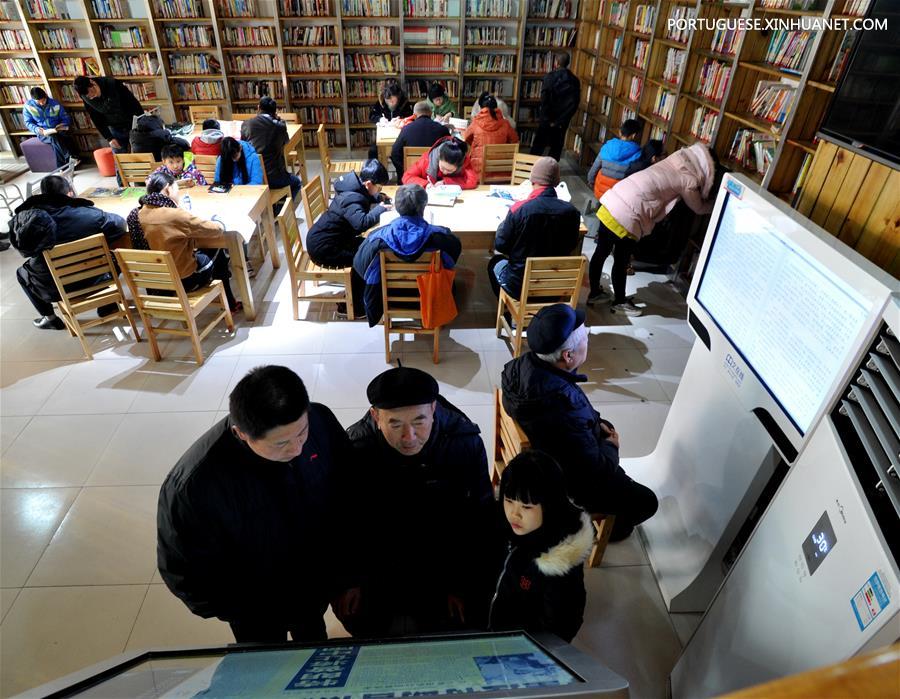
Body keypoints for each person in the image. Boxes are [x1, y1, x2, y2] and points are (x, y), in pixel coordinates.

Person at [158, 365, 358, 643]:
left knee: (313, 645)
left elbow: (347, 499)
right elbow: (184, 573)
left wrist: (342, 577)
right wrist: (243, 610)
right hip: (254, 611)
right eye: (280, 444)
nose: (297, 448)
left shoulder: (320, 420)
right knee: (265, 663)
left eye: (302, 433)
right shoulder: (194, 487)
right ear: (242, 433)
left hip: (313, 588)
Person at [341, 366, 498, 636]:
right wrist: (350, 580)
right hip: (381, 555)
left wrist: (460, 585)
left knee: (460, 624)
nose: (409, 437)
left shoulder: (463, 442)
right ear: (376, 416)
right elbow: (344, 521)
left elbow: (480, 519)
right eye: (395, 424)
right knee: (362, 625)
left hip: (440, 556)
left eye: (419, 421)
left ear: (434, 410)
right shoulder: (356, 448)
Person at [501, 304, 659, 542]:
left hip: (551, 452)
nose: (589, 340)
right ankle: (602, 532)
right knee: (647, 502)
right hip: (571, 483)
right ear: (568, 356)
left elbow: (574, 426)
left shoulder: (519, 368)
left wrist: (596, 423)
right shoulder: (564, 405)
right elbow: (595, 471)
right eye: (586, 337)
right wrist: (611, 446)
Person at [588, 142, 718, 316]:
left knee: (601, 252)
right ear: (708, 170)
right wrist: (719, 204)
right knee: (621, 260)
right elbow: (698, 208)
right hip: (628, 214)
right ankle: (619, 302)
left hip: (612, 201)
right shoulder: (689, 179)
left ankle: (594, 293)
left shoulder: (673, 159)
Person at [488, 450, 594, 643]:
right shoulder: (505, 525)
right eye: (509, 501)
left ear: (549, 506)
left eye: (526, 507)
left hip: (518, 648)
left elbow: (559, 629)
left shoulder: (559, 568)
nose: (514, 514)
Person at [8, 174, 125, 330]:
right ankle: (108, 303)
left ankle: (50, 318)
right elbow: (120, 225)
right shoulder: (89, 215)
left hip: (54, 286)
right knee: (115, 257)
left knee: (21, 273)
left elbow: (23, 248)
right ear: (69, 192)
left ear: (42, 195)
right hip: (96, 277)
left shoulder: (29, 221)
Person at [353, 183, 461, 326]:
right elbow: (454, 259)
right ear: (424, 206)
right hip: (430, 296)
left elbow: (359, 266)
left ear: (397, 207)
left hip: (390, 297)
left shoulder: (377, 239)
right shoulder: (441, 237)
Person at [131, 171, 240, 312]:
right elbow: (215, 230)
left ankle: (228, 301)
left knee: (198, 251)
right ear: (168, 189)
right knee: (217, 247)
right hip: (185, 281)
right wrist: (217, 220)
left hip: (158, 283)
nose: (178, 193)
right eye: (177, 189)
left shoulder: (135, 215)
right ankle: (229, 303)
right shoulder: (174, 215)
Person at [488, 157, 580, 299]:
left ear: (532, 180)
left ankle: (510, 309)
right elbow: (572, 245)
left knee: (494, 263)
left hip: (520, 286)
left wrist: (503, 224)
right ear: (556, 182)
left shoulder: (519, 210)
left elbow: (501, 246)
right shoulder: (572, 212)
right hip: (555, 286)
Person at [240, 96, 301, 200]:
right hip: (273, 177)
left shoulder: (246, 124)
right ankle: (280, 209)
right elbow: (285, 142)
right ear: (275, 111)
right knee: (296, 183)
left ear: (258, 107)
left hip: (253, 175)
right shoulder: (279, 126)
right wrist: (278, 120)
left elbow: (245, 145)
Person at [73, 75, 143, 156]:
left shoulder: (113, 84)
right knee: (119, 158)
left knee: (140, 154)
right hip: (114, 128)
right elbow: (95, 117)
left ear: (92, 82)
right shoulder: (86, 96)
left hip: (132, 123)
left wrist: (141, 123)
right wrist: (109, 138)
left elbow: (134, 104)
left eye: (92, 92)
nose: (93, 96)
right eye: (89, 96)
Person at [530, 52, 580, 161]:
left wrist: (547, 119)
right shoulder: (575, 81)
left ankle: (529, 170)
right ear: (568, 63)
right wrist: (560, 121)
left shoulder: (549, 77)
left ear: (556, 62)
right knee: (556, 148)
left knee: (538, 146)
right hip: (561, 123)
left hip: (547, 119)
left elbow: (544, 100)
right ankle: (551, 173)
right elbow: (574, 104)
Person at [464, 92, 519, 179]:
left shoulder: (476, 122)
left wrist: (476, 144)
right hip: (502, 173)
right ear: (496, 107)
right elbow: (515, 140)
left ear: (480, 108)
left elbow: (466, 138)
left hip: (479, 173)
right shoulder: (505, 123)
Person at [389, 101, 451, 180]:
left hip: (412, 175)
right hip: (436, 176)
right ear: (431, 113)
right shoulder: (442, 129)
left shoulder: (406, 129)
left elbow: (394, 153)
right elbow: (450, 151)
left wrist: (404, 169)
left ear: (414, 116)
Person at [586, 119, 644, 200]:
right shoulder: (638, 153)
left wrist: (591, 182)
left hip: (600, 192)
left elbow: (594, 168)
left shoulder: (607, 146)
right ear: (634, 135)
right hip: (619, 196)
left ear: (620, 132)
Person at [402, 135, 479, 190]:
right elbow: (407, 177)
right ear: (438, 157)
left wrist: (446, 182)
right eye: (442, 167)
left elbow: (472, 181)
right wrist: (426, 184)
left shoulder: (464, 162)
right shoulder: (427, 160)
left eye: (450, 170)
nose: (445, 172)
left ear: (459, 165)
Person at [22, 87, 72, 167]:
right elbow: (28, 123)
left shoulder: (55, 103)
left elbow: (65, 117)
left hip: (58, 129)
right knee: (54, 137)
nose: (42, 103)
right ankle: (70, 157)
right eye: (39, 102)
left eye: (43, 100)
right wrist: (37, 129)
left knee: (60, 137)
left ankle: (62, 167)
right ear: (33, 100)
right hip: (43, 133)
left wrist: (63, 124)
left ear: (46, 96)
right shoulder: (28, 106)